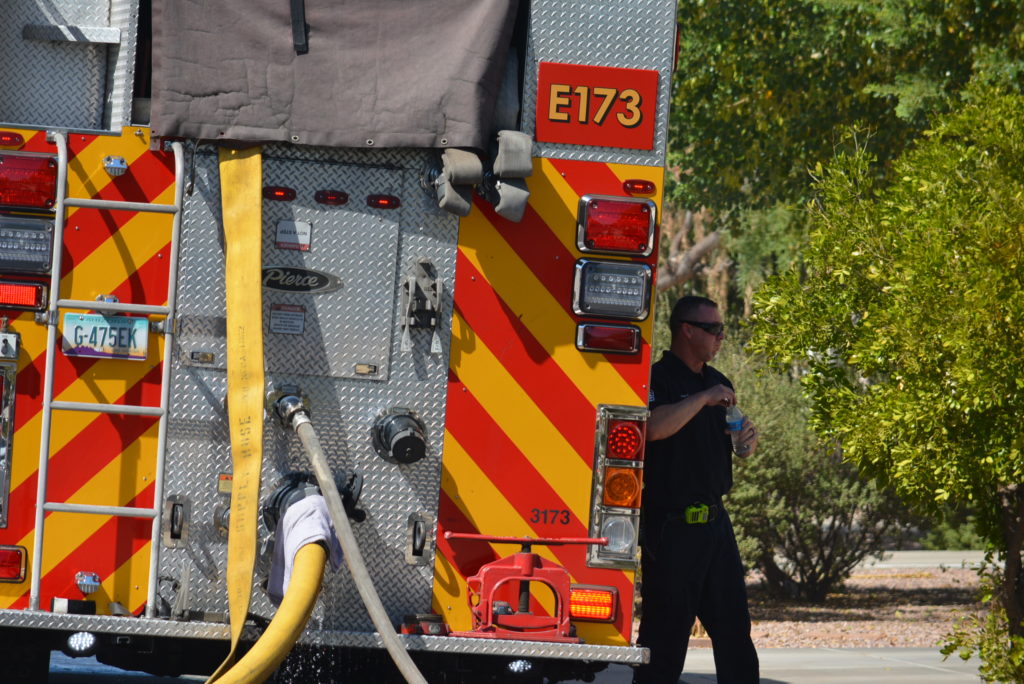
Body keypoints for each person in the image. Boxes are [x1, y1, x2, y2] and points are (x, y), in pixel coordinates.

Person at [632, 295, 760, 684]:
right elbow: (652, 429)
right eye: (713, 329)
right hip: (672, 528)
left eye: (722, 329)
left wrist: (745, 444)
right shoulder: (657, 379)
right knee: (665, 639)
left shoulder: (719, 382)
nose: (721, 337)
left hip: (716, 526)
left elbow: (734, 445)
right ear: (687, 330)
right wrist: (702, 399)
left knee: (735, 634)